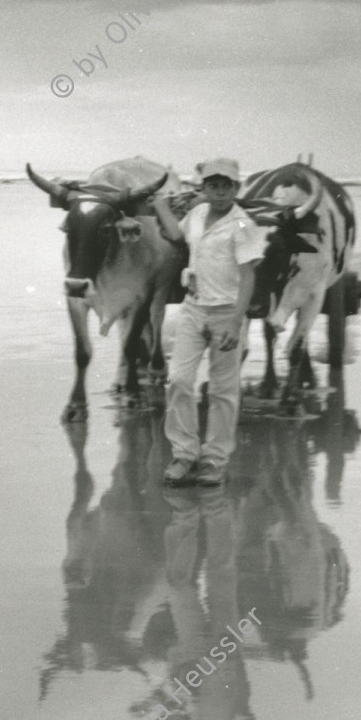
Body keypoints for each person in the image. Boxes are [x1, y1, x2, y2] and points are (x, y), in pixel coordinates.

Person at [152, 157, 264, 487]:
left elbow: (248, 277)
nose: (219, 191)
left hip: (227, 313)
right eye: (212, 185)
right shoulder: (198, 213)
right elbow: (177, 234)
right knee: (179, 380)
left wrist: (236, 323)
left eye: (226, 185)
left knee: (223, 390)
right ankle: (184, 454)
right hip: (193, 309)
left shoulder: (243, 225)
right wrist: (160, 207)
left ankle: (214, 460)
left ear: (236, 188)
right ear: (203, 188)